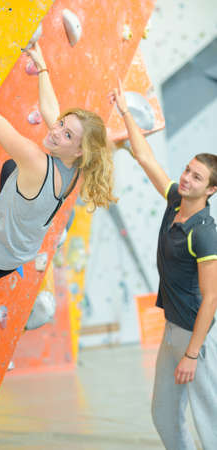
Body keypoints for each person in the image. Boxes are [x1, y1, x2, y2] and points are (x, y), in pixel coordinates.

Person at [0, 44, 118, 439]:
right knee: (8, 168)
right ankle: (4, 203)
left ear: (78, 149)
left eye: (66, 133)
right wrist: (43, 64)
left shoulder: (37, 161)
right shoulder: (71, 166)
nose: (55, 130)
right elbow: (53, 114)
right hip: (21, 238)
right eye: (61, 125)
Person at [109, 80, 217, 450]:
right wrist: (125, 110)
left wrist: (191, 354)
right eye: (188, 170)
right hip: (173, 330)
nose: (187, 178)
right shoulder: (175, 200)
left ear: (212, 190)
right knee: (164, 415)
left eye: (197, 177)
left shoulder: (205, 233)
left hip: (196, 339)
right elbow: (147, 159)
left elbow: (212, 298)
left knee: (209, 421)